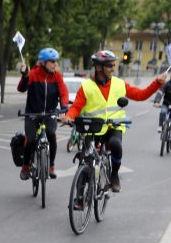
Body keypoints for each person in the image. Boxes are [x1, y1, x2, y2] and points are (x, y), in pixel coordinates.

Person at [61, 50, 164, 193]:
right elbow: (76, 106)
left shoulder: (119, 84)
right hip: (93, 127)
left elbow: (141, 95)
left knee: (116, 144)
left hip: (113, 126)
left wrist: (157, 83)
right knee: (85, 158)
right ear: (98, 67)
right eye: (110, 65)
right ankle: (79, 196)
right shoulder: (87, 87)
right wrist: (69, 116)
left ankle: (114, 174)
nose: (113, 69)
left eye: (114, 65)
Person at [17, 47, 69, 180]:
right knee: (31, 139)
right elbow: (21, 88)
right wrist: (24, 76)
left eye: (56, 61)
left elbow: (63, 93)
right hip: (32, 114)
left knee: (52, 136)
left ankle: (51, 165)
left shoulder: (57, 76)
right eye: (52, 61)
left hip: (50, 114)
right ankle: (26, 166)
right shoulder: (33, 74)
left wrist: (63, 108)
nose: (55, 64)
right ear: (43, 63)